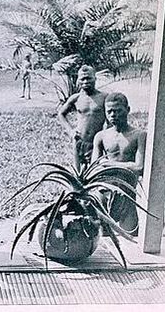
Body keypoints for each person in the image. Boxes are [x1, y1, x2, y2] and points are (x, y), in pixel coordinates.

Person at [91, 92, 146, 234]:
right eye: (109, 111)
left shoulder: (139, 135)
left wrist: (109, 164)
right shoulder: (101, 136)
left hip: (127, 193)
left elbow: (139, 167)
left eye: (118, 111)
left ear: (127, 110)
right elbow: (94, 167)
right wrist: (124, 165)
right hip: (104, 191)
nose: (113, 115)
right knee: (103, 237)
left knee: (131, 236)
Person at [58, 65, 108, 171]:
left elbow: (110, 121)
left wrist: (106, 136)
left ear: (95, 78)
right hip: (79, 141)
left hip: (96, 143)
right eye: (82, 79)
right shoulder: (76, 98)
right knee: (78, 174)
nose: (85, 81)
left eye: (88, 78)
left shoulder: (104, 97)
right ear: (78, 80)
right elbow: (61, 114)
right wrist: (70, 131)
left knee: (96, 172)